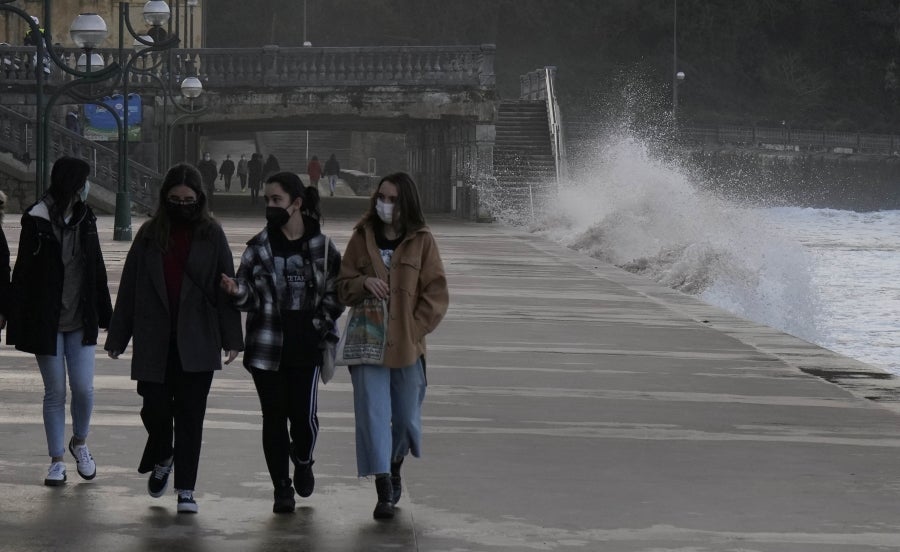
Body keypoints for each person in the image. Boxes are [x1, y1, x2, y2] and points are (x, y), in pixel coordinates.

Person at [104, 163, 243, 514]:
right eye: (175, 199)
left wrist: (232, 337)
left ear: (200, 200)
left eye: (189, 199)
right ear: (165, 199)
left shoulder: (212, 234)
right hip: (154, 337)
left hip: (197, 338)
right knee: (154, 408)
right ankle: (163, 452)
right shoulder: (150, 234)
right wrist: (118, 335)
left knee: (191, 416)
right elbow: (131, 287)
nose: (182, 205)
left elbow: (225, 284)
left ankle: (186, 489)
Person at [220, 172, 343, 514]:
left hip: (308, 346)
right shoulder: (258, 248)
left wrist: (318, 324)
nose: (270, 207)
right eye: (267, 201)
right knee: (273, 417)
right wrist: (235, 290)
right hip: (267, 346)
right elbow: (248, 295)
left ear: (296, 204)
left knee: (302, 419)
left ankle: (303, 460)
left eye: (276, 200)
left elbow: (338, 292)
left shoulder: (322, 247)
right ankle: (281, 488)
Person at [336, 171, 448, 520]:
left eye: (393, 199)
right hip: (368, 339)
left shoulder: (422, 240)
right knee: (372, 413)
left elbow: (436, 292)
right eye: (381, 197)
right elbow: (342, 285)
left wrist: (415, 329)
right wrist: (364, 282)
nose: (385, 204)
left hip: (407, 344)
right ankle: (383, 486)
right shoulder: (361, 236)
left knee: (405, 417)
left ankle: (395, 463)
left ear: (406, 202)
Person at [7, 156, 113, 487]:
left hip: (80, 319)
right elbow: (22, 272)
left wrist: (107, 314)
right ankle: (56, 460)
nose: (88, 187)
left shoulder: (87, 219)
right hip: (47, 320)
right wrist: (13, 314)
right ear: (75, 184)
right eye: (85, 181)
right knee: (55, 391)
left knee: (83, 388)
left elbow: (96, 267)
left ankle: (79, 443)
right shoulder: (35, 220)